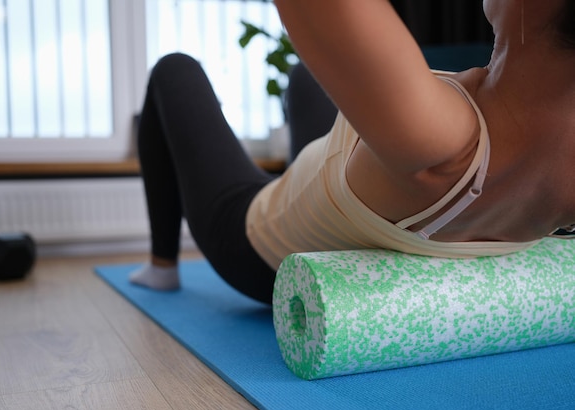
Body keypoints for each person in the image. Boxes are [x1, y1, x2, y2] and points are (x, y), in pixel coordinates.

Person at [130, 0, 575, 304]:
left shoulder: (441, 140)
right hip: (353, 198)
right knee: (306, 78)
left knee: (174, 70)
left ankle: (161, 267)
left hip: (256, 253)